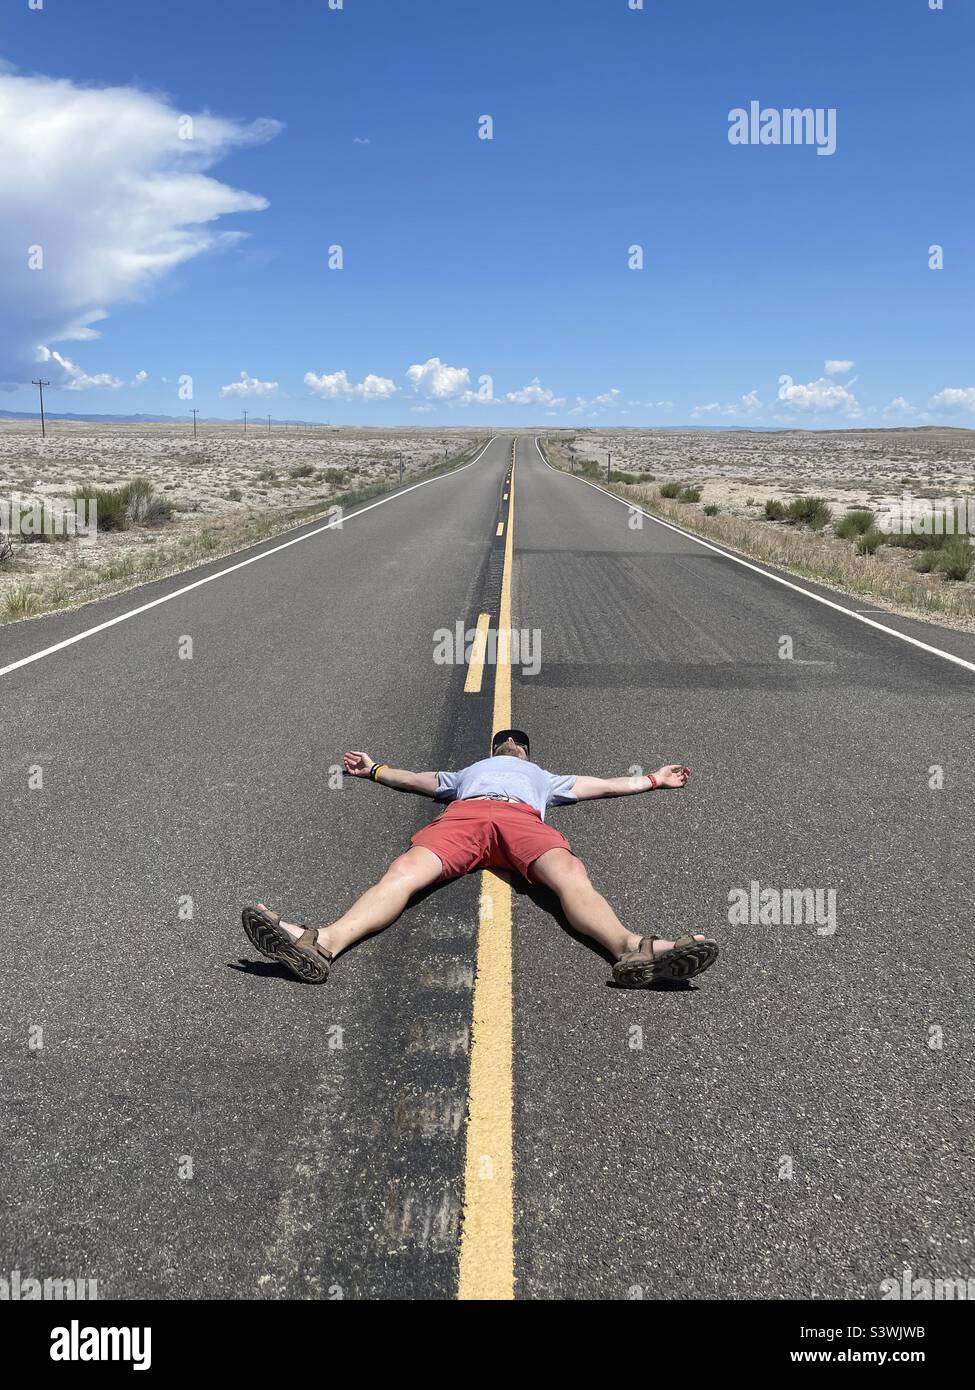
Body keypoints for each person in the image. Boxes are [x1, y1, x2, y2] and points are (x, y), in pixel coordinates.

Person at [241, 728, 718, 988]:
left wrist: (653, 779)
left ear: (527, 753)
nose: (511, 743)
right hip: (467, 816)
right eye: (504, 742)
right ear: (493, 752)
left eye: (518, 742)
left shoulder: (544, 778)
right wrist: (374, 770)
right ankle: (320, 943)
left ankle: (631, 950)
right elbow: (421, 779)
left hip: (522, 820)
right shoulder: (469, 772)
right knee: (404, 871)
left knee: (570, 873)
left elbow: (604, 784)